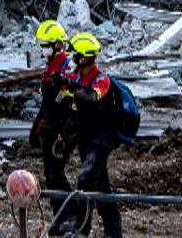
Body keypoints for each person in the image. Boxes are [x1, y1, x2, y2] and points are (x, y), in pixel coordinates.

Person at [54, 33, 122, 238]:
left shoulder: (102, 79)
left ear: (83, 58)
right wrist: (63, 137)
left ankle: (81, 229)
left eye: (75, 56)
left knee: (85, 178)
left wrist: (69, 85)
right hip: (86, 136)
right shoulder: (78, 78)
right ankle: (113, 232)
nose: (71, 59)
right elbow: (76, 112)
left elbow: (92, 96)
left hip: (102, 137)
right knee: (101, 184)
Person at [32, 20, 75, 197]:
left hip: (64, 129)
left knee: (56, 172)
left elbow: (68, 104)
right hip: (50, 128)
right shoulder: (49, 68)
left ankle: (72, 211)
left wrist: (55, 126)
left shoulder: (68, 68)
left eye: (46, 46)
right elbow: (46, 102)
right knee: (49, 174)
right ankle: (60, 216)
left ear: (58, 44)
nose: (43, 50)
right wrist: (36, 126)